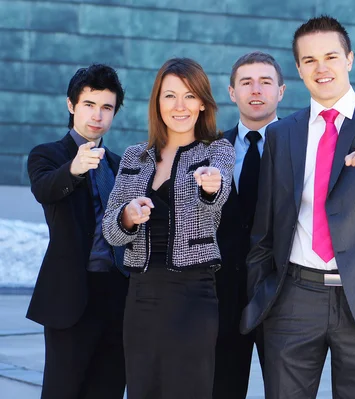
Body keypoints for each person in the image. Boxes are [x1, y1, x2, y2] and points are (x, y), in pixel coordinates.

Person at [241, 15, 355, 399]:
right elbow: (265, 225)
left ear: (350, 59)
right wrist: (261, 292)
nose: (321, 68)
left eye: (331, 57)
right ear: (299, 69)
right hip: (293, 298)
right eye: (309, 60)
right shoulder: (280, 133)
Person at [102, 57, 235, 399]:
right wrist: (128, 217)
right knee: (144, 389)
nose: (179, 106)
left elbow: (217, 196)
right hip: (142, 295)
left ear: (202, 102)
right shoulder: (135, 156)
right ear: (157, 102)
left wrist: (210, 185)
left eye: (189, 96)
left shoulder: (217, 150)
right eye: (169, 96)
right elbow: (110, 229)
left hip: (194, 295)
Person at [27, 64, 128, 399]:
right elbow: (45, 189)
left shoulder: (119, 163)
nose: (97, 115)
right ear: (72, 105)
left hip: (116, 298)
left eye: (106, 107)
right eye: (89, 104)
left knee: (108, 390)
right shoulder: (48, 154)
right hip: (71, 298)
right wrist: (73, 169)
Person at [213, 51, 286, 399]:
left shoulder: (303, 147)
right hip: (223, 294)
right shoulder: (211, 148)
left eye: (265, 82)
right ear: (232, 92)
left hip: (285, 293)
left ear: (281, 92)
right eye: (246, 82)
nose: (256, 90)